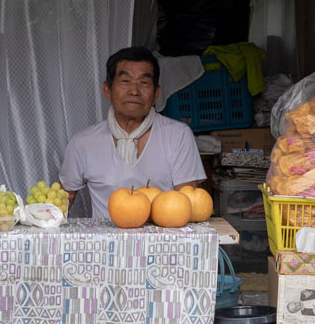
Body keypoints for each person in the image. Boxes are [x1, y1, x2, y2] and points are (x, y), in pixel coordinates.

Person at [59, 46, 206, 218]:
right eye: (125, 81)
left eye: (144, 83)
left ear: (156, 93)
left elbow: (189, 202)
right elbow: (64, 199)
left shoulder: (178, 135)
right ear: (107, 90)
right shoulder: (84, 142)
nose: (134, 91)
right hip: (106, 243)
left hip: (162, 241)